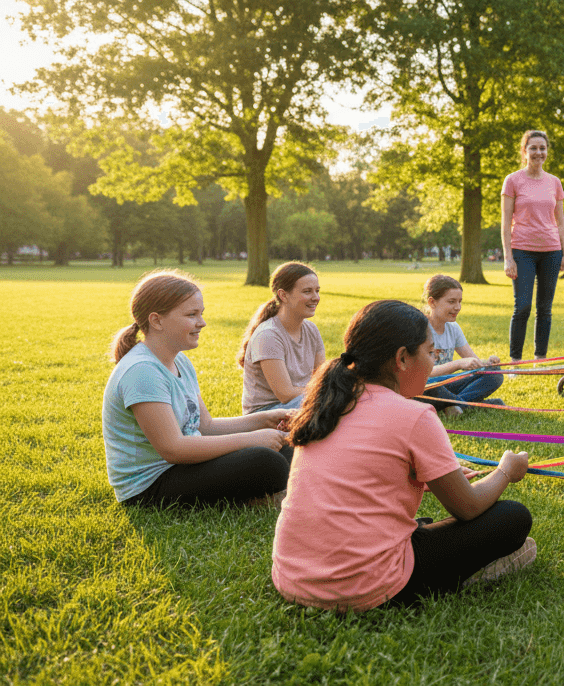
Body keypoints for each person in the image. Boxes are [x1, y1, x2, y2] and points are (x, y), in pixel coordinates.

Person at [271, 300, 535, 612]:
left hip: (292, 577)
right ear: (402, 358)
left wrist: (428, 479)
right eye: (429, 350)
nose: (434, 359)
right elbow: (468, 507)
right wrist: (506, 470)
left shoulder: (324, 403)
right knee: (513, 518)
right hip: (364, 586)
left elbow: (361, 474)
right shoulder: (416, 415)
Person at [102, 270, 292, 507]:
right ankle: (260, 497)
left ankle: (262, 493)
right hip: (150, 487)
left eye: (201, 314)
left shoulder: (179, 361)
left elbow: (205, 426)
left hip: (183, 466)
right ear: (156, 320)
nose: (202, 322)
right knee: (266, 461)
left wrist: (264, 420)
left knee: (287, 446)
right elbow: (173, 449)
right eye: (192, 314)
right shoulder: (142, 371)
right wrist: (252, 440)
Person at [502, 130, 564, 363]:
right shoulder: (512, 180)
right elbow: (505, 221)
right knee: (522, 306)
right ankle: (515, 361)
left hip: (551, 251)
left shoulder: (554, 182)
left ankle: (539, 359)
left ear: (547, 152)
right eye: (533, 148)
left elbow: (560, 222)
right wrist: (507, 257)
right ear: (524, 151)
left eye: (542, 148)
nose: (538, 152)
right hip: (522, 250)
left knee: (545, 309)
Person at [238, 262, 326, 413]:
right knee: (329, 402)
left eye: (317, 291)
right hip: (266, 413)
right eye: (307, 292)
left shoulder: (311, 330)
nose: (315, 297)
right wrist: (328, 391)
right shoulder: (268, 335)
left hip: (301, 402)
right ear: (283, 295)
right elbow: (285, 394)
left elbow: (321, 377)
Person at [419, 274, 506, 416]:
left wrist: (488, 363)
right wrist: (458, 364)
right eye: (452, 301)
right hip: (426, 386)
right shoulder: (420, 329)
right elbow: (423, 374)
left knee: (494, 375)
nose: (458, 307)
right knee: (430, 387)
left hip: (447, 385)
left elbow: (474, 363)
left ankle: (454, 405)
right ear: (432, 302)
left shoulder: (453, 328)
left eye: (460, 302)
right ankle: (474, 405)